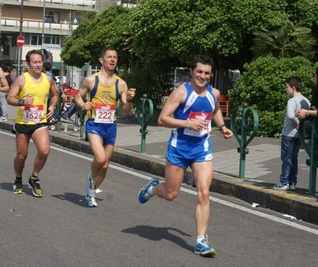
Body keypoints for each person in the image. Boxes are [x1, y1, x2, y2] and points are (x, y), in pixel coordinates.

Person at [137, 55, 233, 257]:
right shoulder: (181, 92)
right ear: (192, 71)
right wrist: (187, 123)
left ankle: (200, 241)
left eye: (207, 73)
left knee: (204, 192)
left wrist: (222, 126)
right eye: (199, 72)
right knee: (171, 194)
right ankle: (153, 189)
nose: (203, 76)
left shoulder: (213, 93)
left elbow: (214, 110)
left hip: (201, 149)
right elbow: (163, 119)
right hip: (179, 149)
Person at [74, 46, 136, 207]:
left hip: (110, 125)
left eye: (115, 57)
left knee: (105, 165)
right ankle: (91, 180)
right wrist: (83, 105)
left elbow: (126, 110)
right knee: (100, 159)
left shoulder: (121, 84)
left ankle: (91, 191)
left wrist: (129, 100)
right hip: (94, 124)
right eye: (109, 57)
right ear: (102, 60)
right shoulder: (91, 80)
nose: (113, 60)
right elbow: (77, 96)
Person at [7, 49, 58, 197]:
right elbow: (10, 98)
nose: (38, 65)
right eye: (34, 62)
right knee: (22, 155)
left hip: (39, 121)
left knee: (44, 150)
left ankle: (34, 177)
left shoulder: (48, 79)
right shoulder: (21, 79)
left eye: (40, 62)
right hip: (23, 122)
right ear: (29, 63)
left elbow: (55, 95)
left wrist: (52, 105)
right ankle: (18, 178)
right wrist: (23, 102)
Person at [271, 77, 310, 190]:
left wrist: (296, 123)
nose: (285, 89)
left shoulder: (292, 101)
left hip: (288, 133)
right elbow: (308, 118)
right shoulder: (306, 101)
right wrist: (303, 125)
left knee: (286, 158)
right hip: (300, 135)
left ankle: (284, 182)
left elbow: (290, 115)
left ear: (293, 88)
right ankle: (292, 182)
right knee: (294, 158)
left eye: (287, 87)